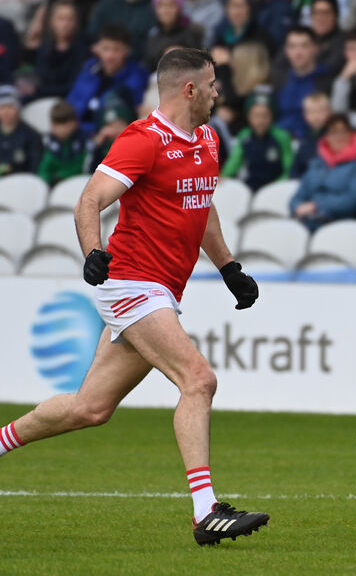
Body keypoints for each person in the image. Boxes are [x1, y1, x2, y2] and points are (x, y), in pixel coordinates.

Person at [0, 48, 269, 546]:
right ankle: (205, 512)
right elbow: (90, 199)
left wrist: (229, 267)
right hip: (130, 283)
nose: (217, 92)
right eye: (211, 84)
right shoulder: (143, 140)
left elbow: (200, 205)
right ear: (189, 89)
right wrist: (92, 251)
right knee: (199, 379)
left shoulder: (208, 140)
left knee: (90, 408)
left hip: (160, 289)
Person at [289, 113, 356, 230]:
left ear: (351, 134)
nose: (338, 137)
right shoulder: (318, 161)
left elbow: (353, 199)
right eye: (333, 132)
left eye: (343, 132)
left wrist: (315, 204)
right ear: (327, 136)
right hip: (308, 217)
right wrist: (297, 206)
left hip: (339, 222)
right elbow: (299, 195)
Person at [67, 24, 149, 137]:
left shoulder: (135, 78)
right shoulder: (89, 70)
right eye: (106, 48)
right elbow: (72, 104)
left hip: (107, 136)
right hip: (76, 133)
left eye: (116, 49)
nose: (110, 55)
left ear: (127, 51)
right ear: (97, 49)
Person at [222, 88, 294, 191]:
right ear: (249, 117)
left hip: (276, 187)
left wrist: (276, 186)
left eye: (265, 115)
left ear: (271, 116)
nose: (260, 120)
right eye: (256, 115)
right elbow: (234, 162)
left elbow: (289, 168)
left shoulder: (281, 136)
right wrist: (224, 176)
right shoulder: (244, 136)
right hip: (251, 186)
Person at [273, 26, 333, 138]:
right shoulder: (279, 79)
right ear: (286, 51)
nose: (298, 52)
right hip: (280, 141)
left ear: (316, 49)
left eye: (304, 46)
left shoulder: (327, 82)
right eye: (292, 46)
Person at [34, 0, 88, 99]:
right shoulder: (45, 47)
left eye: (70, 19)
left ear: (76, 22)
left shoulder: (82, 50)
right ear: (51, 21)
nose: (65, 24)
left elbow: (73, 85)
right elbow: (39, 78)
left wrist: (38, 90)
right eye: (61, 18)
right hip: (42, 100)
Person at [38, 100, 91, 185]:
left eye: (61, 125)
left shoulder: (85, 142)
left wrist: (62, 176)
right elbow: (44, 170)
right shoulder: (49, 143)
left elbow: (85, 167)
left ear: (74, 123)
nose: (55, 129)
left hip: (80, 185)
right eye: (54, 124)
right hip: (54, 187)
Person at [144, 0, 205, 72]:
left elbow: (200, 62)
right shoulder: (153, 35)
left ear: (179, 8)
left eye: (171, 5)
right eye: (161, 6)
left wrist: (181, 54)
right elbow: (148, 65)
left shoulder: (191, 32)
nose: (166, 10)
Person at [0, 85, 43, 176]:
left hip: (22, 183)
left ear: (18, 108)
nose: (5, 112)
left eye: (10, 107)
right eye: (2, 107)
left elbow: (34, 166)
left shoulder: (31, 135)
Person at [290, 91, 332, 178]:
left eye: (320, 111)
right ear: (305, 115)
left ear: (329, 112)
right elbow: (296, 167)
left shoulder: (334, 137)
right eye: (311, 112)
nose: (316, 116)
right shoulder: (305, 138)